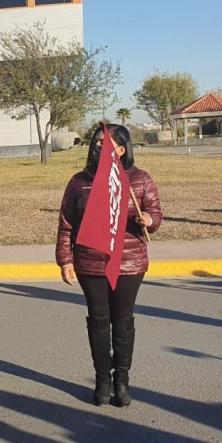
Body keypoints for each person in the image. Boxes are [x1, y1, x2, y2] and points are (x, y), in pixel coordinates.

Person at [56, 124, 162, 407]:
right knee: (99, 320)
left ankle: (121, 380)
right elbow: (66, 224)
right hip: (90, 262)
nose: (98, 147)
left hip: (129, 262)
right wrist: (65, 259)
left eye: (106, 143)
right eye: (96, 142)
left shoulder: (139, 179)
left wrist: (148, 220)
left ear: (122, 149)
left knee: (123, 320)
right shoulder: (80, 181)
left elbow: (155, 213)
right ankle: (102, 378)